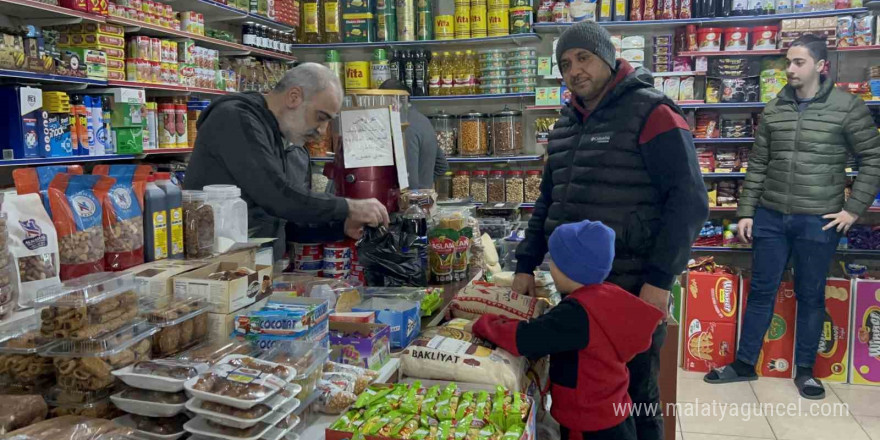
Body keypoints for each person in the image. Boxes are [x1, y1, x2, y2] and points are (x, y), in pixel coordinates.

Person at [511, 21, 709, 439]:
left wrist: (659, 280)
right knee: (585, 398)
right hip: (576, 295)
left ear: (607, 57)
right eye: (565, 63)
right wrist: (526, 264)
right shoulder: (565, 125)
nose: (574, 70)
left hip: (631, 289)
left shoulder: (652, 112)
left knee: (638, 399)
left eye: (583, 58)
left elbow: (689, 201)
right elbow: (548, 202)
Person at [704, 35, 880, 399]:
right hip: (770, 216)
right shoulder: (775, 107)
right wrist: (747, 211)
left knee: (811, 295)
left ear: (821, 66)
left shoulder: (847, 107)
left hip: (818, 219)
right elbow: (758, 164)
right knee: (762, 292)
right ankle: (743, 364)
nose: (790, 69)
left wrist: (853, 209)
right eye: (788, 61)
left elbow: (873, 159)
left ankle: (805, 372)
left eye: (799, 62)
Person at [472, 220, 664, 440]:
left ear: (570, 268)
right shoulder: (607, 297)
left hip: (587, 425)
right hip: (615, 416)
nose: (550, 267)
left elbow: (526, 339)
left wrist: (484, 323)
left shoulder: (576, 314)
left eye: (554, 260)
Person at [184, 63, 389, 259]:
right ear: (294, 97)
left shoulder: (276, 135)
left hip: (252, 271)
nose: (322, 131)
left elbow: (284, 221)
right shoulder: (235, 119)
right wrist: (349, 207)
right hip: (216, 272)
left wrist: (340, 226)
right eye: (320, 117)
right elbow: (276, 196)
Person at [378, 79, 448, 189]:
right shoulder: (423, 120)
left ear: (393, 100)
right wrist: (425, 184)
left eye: (381, 101)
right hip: (424, 200)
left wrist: (417, 190)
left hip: (411, 202)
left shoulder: (404, 126)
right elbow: (442, 166)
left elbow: (409, 180)